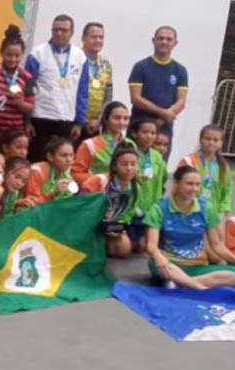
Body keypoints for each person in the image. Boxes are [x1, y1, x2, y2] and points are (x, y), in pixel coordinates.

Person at [145, 166, 235, 289]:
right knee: (156, 263)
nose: (194, 189)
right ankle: (199, 287)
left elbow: (217, 245)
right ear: (176, 183)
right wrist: (159, 258)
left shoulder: (206, 208)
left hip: (197, 267)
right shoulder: (159, 208)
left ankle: (181, 284)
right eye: (189, 184)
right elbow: (151, 246)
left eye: (198, 185)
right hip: (169, 265)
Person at [25, 14, 87, 161]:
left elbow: (83, 91)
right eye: (56, 30)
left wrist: (79, 122)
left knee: (62, 163)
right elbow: (28, 88)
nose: (59, 33)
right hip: (40, 118)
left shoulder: (80, 56)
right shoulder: (37, 53)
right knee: (37, 162)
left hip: (66, 120)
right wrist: (26, 120)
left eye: (64, 30)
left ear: (72, 32)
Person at [128, 26, 188, 160]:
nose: (164, 42)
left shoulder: (180, 70)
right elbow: (135, 98)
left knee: (159, 165)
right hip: (139, 125)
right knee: (133, 164)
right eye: (160, 38)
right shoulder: (141, 67)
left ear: (175, 43)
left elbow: (181, 102)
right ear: (153, 40)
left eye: (168, 39)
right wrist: (163, 113)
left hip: (164, 127)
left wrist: (163, 119)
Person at [81, 145, 140, 257]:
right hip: (89, 225)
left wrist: (119, 228)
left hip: (110, 226)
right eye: (124, 164)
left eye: (133, 164)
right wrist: (100, 215)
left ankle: (105, 246)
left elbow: (127, 215)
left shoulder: (135, 188)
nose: (129, 168)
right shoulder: (98, 181)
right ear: (114, 166)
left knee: (125, 248)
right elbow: (81, 206)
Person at [0, 25, 35, 151]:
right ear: (1, 52)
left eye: (17, 56)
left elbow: (30, 108)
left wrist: (20, 103)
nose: (13, 59)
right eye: (9, 55)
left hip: (14, 136)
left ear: (22, 54)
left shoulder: (27, 77)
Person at [178, 124, 232, 227]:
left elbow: (227, 192)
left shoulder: (223, 166)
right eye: (207, 138)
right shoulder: (188, 161)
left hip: (214, 216)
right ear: (200, 140)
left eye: (216, 140)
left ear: (221, 143)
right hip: (190, 214)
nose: (211, 142)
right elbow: (178, 189)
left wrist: (222, 213)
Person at [128, 118, 167, 252]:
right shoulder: (128, 153)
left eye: (153, 133)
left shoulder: (157, 156)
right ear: (134, 134)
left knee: (146, 246)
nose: (149, 136)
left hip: (150, 210)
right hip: (131, 211)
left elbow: (162, 181)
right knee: (128, 248)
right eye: (145, 132)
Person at [71, 101, 132, 185]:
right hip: (97, 195)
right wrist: (101, 179)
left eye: (126, 118)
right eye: (117, 118)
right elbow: (75, 174)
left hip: (124, 194)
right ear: (105, 119)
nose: (122, 122)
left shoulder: (131, 144)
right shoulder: (89, 144)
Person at [78, 22, 113, 139]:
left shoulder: (106, 64)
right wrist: (81, 119)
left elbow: (108, 98)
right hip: (73, 122)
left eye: (101, 37)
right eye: (94, 37)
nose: (98, 40)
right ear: (83, 38)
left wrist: (98, 120)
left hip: (95, 125)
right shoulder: (75, 59)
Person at [26, 136, 78, 204]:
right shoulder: (37, 171)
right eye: (64, 155)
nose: (69, 159)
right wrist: (53, 193)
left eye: (71, 155)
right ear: (50, 157)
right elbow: (31, 203)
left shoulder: (67, 174)